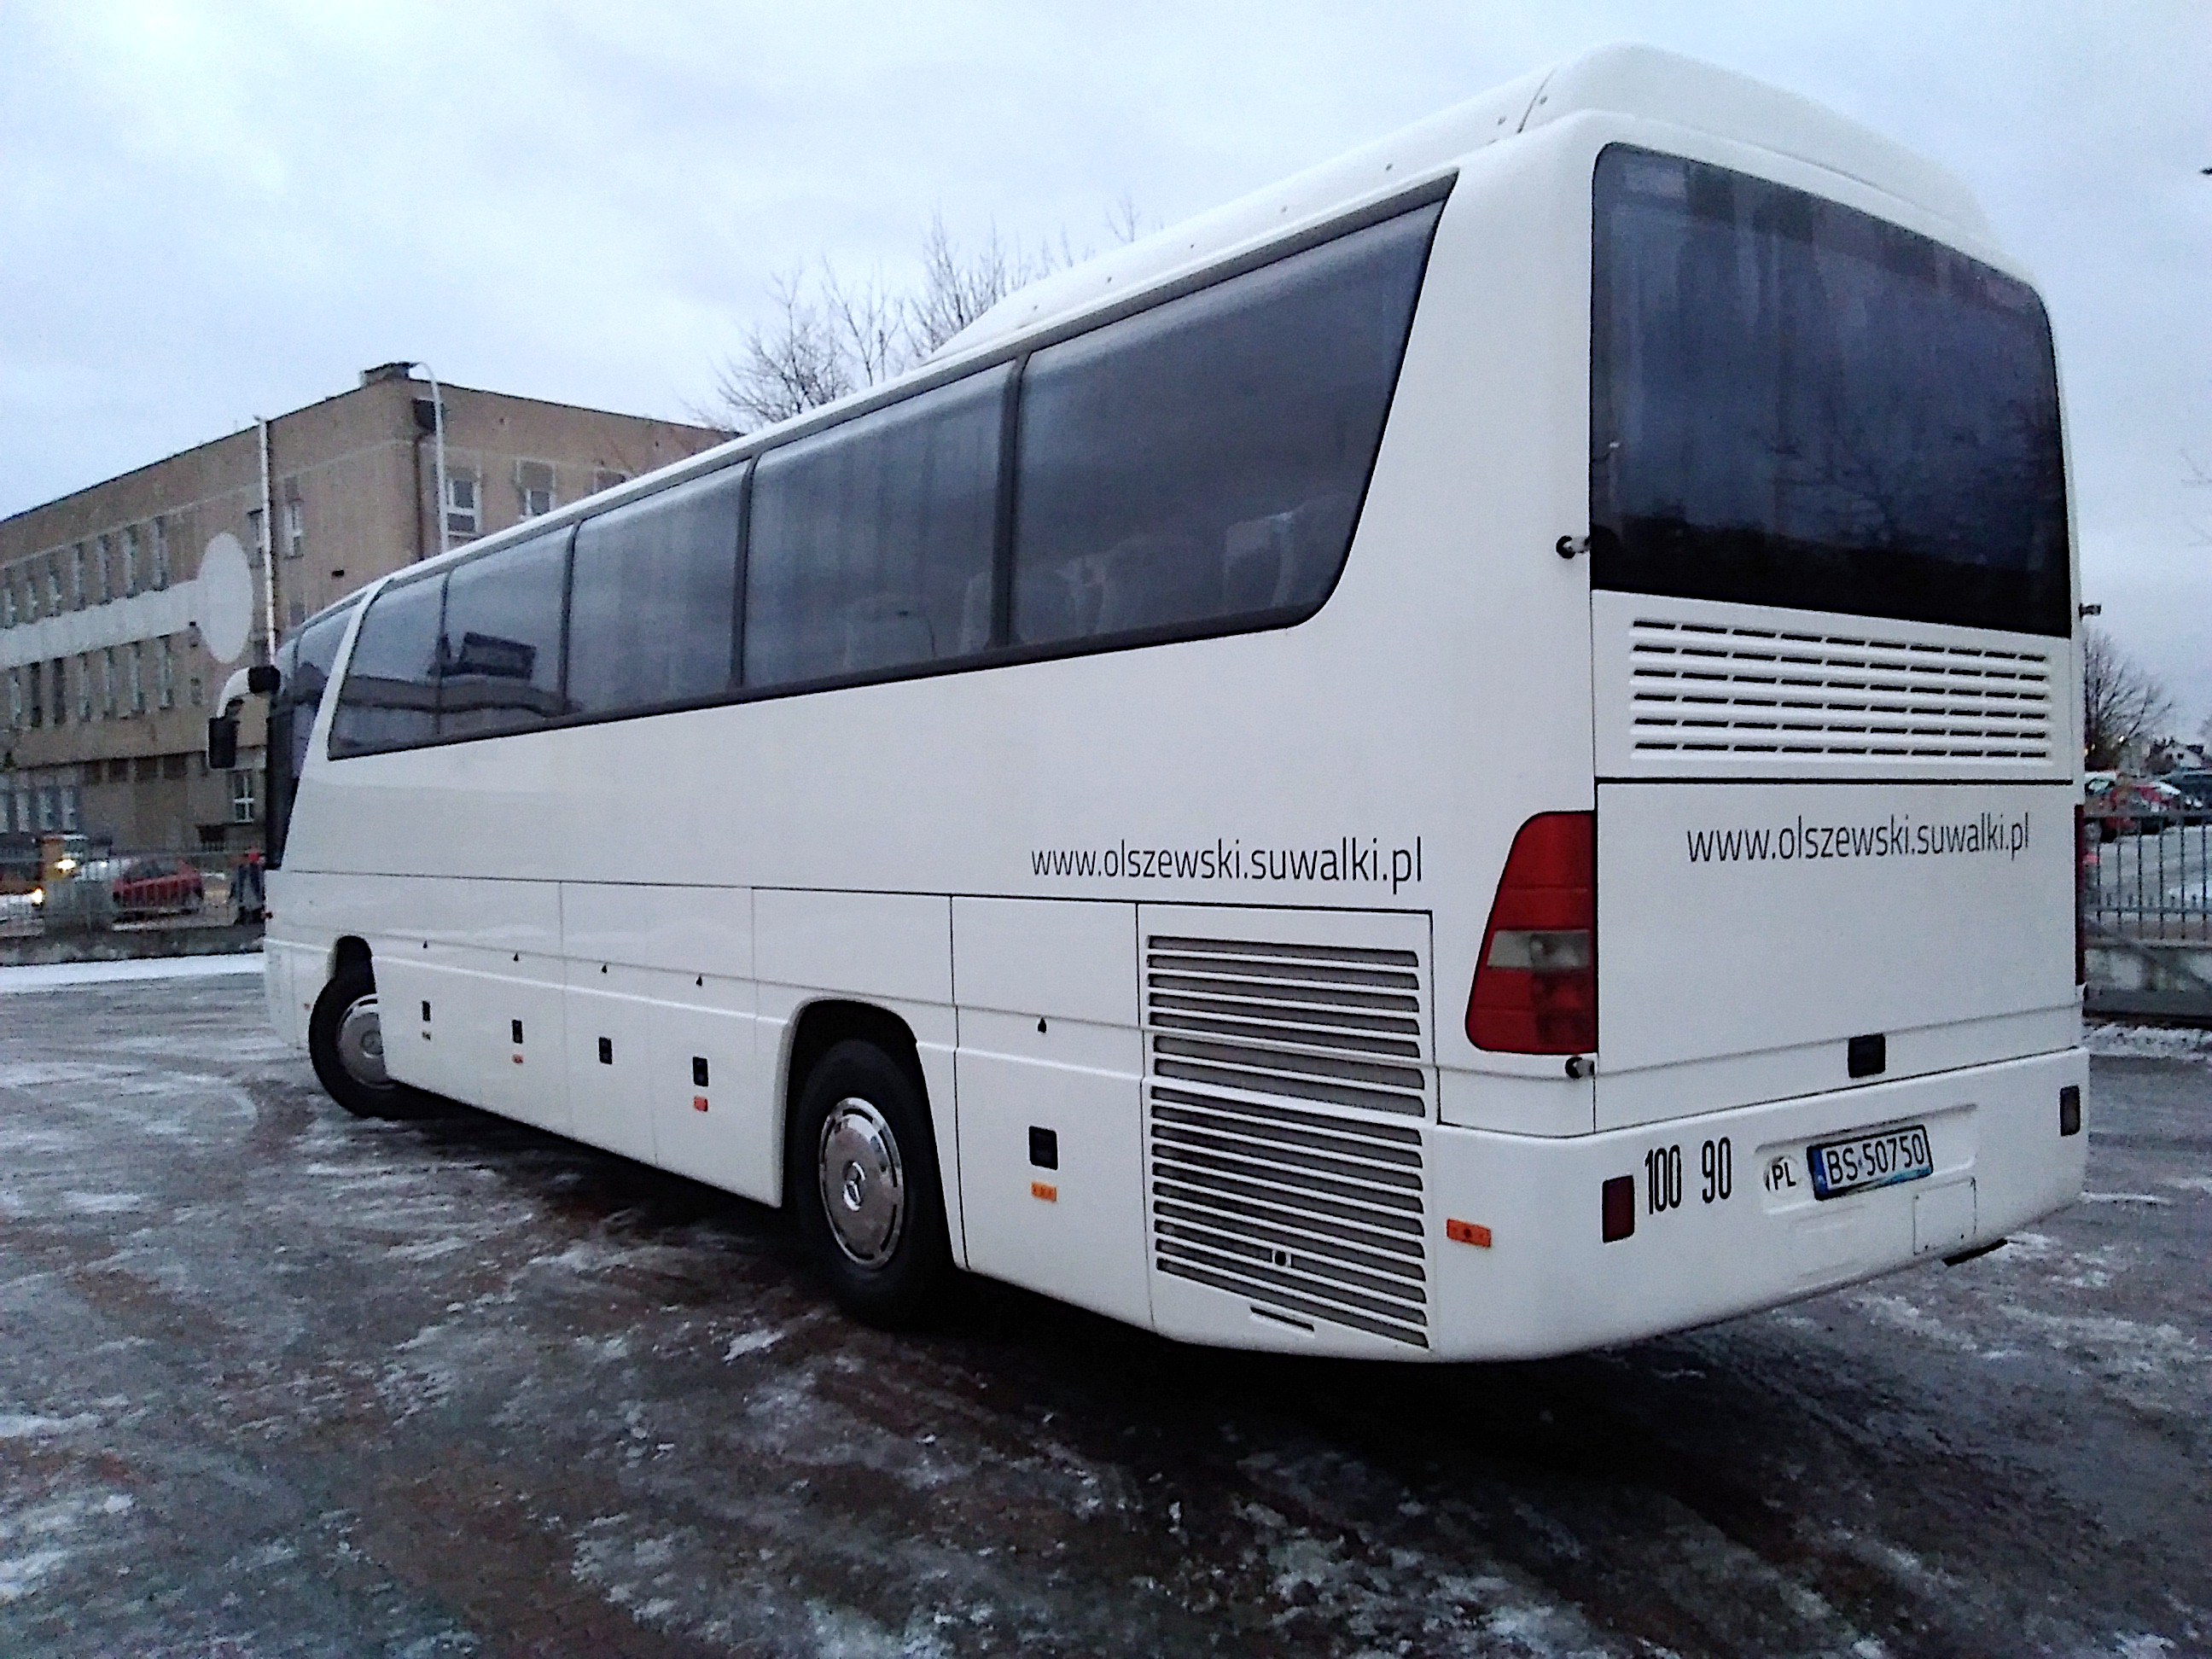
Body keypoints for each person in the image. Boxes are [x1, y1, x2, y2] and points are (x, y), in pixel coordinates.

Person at [232, 847, 265, 923]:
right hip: (246, 892)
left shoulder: (256, 868)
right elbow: (236, 881)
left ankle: (254, 918)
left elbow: (259, 881)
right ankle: (244, 918)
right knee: (245, 905)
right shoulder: (240, 869)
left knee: (254, 906)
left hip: (253, 892)